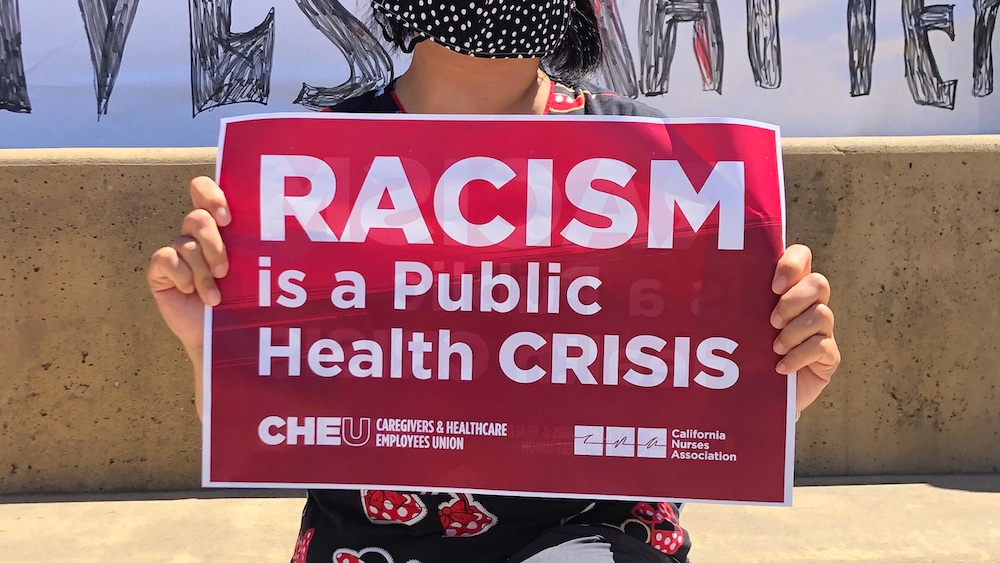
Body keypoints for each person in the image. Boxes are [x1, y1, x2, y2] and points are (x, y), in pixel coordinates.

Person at [147, 2, 842, 562]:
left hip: (596, 542)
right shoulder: (309, 169)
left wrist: (775, 391)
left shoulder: (651, 157)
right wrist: (209, 342)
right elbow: (281, 413)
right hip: (376, 544)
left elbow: (689, 410)